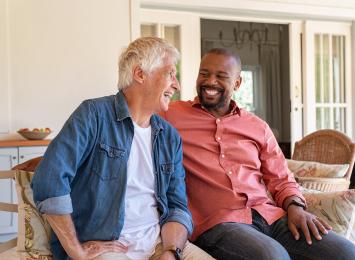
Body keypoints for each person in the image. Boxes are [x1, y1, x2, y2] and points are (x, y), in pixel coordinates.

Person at [160, 48, 355, 260]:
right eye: (204, 74)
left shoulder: (257, 126)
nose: (210, 81)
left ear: (237, 83)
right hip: (219, 223)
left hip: (270, 216)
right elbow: (135, 110)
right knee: (273, 257)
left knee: (345, 253)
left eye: (221, 76)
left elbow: (281, 178)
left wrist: (296, 207)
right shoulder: (171, 115)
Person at [30, 37, 213, 260]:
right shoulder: (93, 115)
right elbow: (49, 179)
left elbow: (177, 206)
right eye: (170, 74)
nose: (177, 85)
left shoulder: (169, 137)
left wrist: (171, 252)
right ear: (140, 74)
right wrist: (76, 250)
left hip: (160, 243)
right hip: (106, 246)